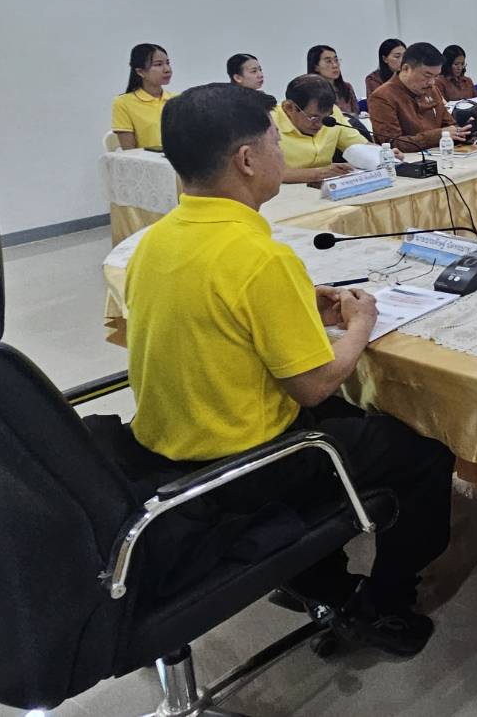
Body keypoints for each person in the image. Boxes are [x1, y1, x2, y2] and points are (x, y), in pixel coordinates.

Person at [125, 83, 453, 654]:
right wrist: (360, 324)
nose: (284, 152)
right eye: (276, 140)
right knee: (425, 457)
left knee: (353, 423)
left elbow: (220, 321)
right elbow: (314, 383)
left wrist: (302, 301)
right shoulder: (261, 257)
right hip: (246, 460)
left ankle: (312, 575)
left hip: (165, 447)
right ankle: (380, 600)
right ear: (247, 160)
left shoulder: (153, 242)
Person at [274, 74, 399, 183]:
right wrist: (318, 173)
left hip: (323, 189)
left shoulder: (334, 114)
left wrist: (384, 155)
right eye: (314, 118)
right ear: (289, 107)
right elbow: (264, 173)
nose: (320, 124)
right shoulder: (267, 123)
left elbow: (361, 146)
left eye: (326, 117)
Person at [367, 42, 470, 151]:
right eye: (427, 75)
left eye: (436, 76)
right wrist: (438, 135)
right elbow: (393, 143)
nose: (432, 82)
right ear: (406, 69)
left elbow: (450, 125)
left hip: (441, 154)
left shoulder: (432, 89)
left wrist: (462, 133)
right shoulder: (382, 97)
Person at [112, 43, 175, 150]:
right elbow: (129, 153)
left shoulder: (177, 100)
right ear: (140, 72)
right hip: (147, 164)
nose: (167, 69)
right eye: (158, 64)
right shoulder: (123, 103)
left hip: (179, 164)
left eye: (168, 63)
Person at [307, 44, 359, 114]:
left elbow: (357, 114)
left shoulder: (347, 87)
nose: (335, 65)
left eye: (336, 60)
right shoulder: (309, 91)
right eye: (328, 61)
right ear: (316, 67)